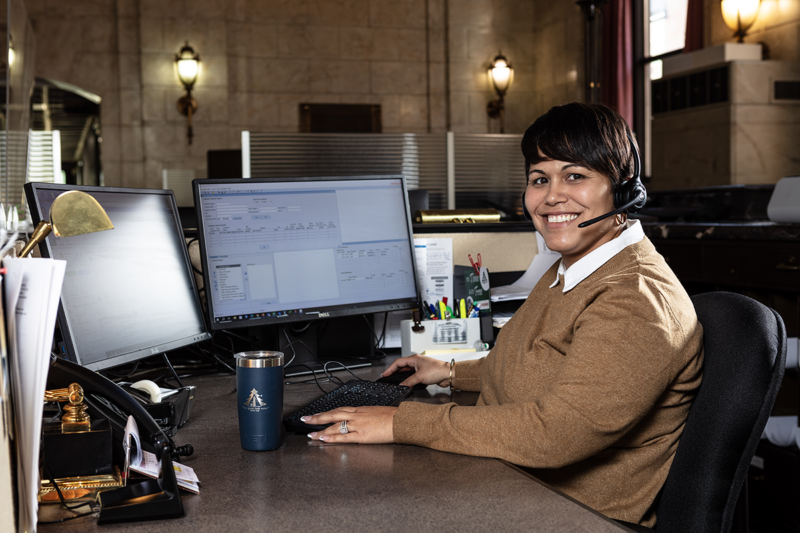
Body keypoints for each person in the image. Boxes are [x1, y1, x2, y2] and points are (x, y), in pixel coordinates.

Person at [301, 102, 704, 527]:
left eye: (575, 176)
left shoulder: (636, 299)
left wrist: (403, 422)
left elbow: (555, 434)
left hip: (568, 514)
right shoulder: (578, 265)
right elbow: (542, 362)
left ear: (622, 190)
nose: (552, 196)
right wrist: (451, 371)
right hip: (511, 486)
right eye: (539, 179)